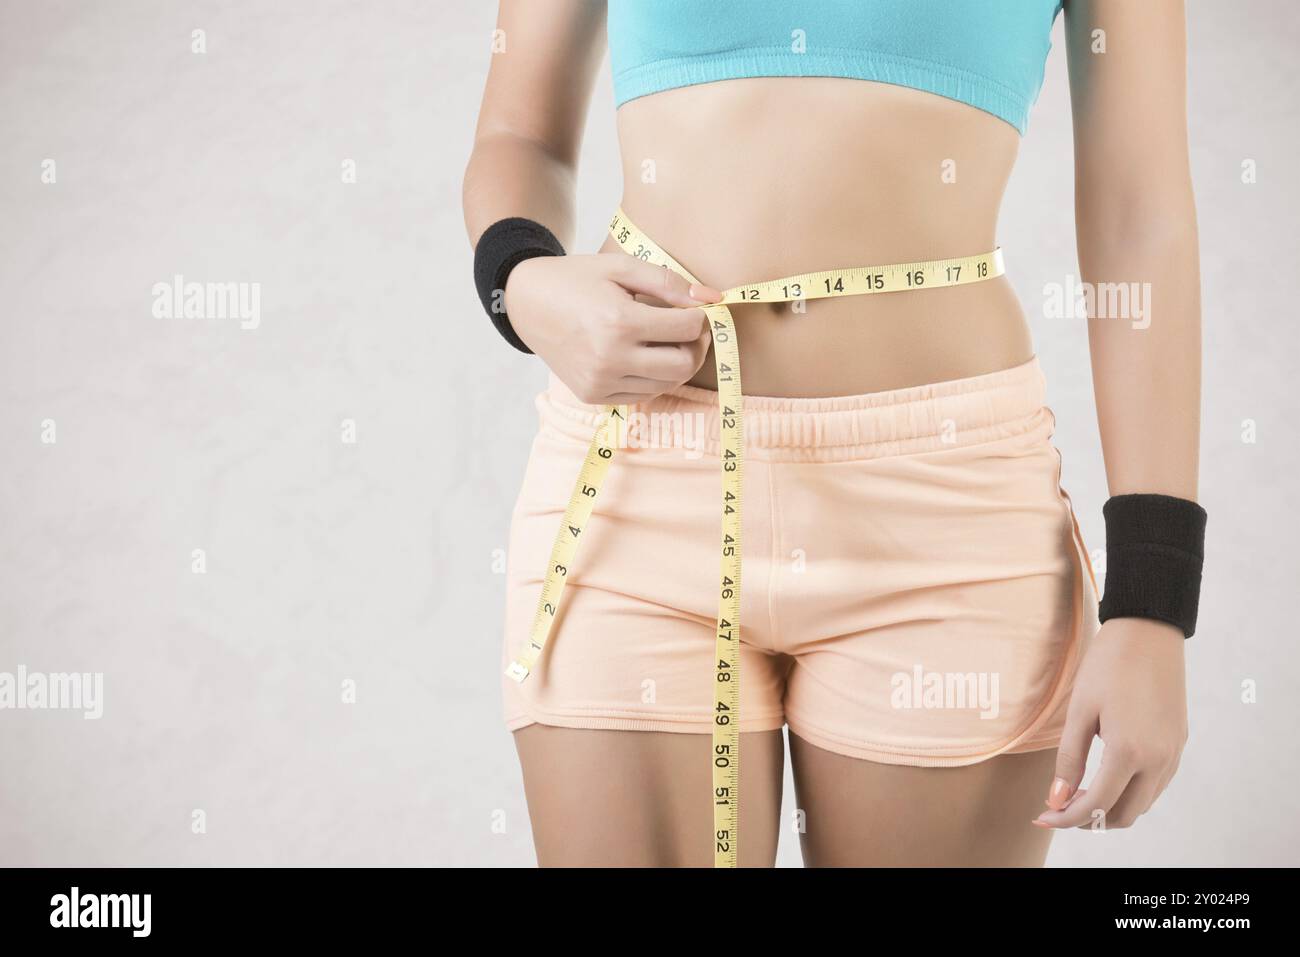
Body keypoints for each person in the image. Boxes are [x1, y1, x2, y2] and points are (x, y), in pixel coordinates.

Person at [463, 0, 1205, 867]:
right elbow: (520, 134)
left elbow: (1139, 209)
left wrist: (1155, 600)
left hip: (945, 507)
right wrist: (523, 282)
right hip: (638, 475)